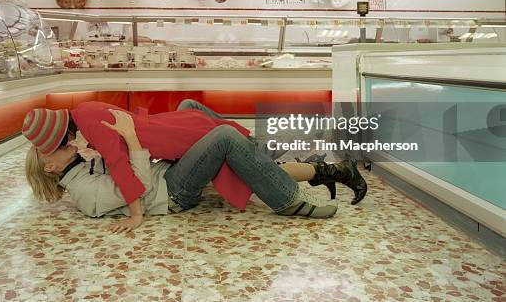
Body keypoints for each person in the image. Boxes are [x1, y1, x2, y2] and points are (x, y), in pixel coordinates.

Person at [22, 99, 367, 232]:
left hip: (166, 171)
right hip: (171, 190)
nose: (64, 146)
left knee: (198, 115)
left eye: (53, 143)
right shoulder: (84, 193)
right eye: (51, 151)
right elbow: (132, 181)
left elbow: (118, 161)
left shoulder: (86, 140)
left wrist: (128, 137)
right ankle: (297, 189)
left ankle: (307, 180)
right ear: (51, 168)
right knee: (224, 139)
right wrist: (137, 214)